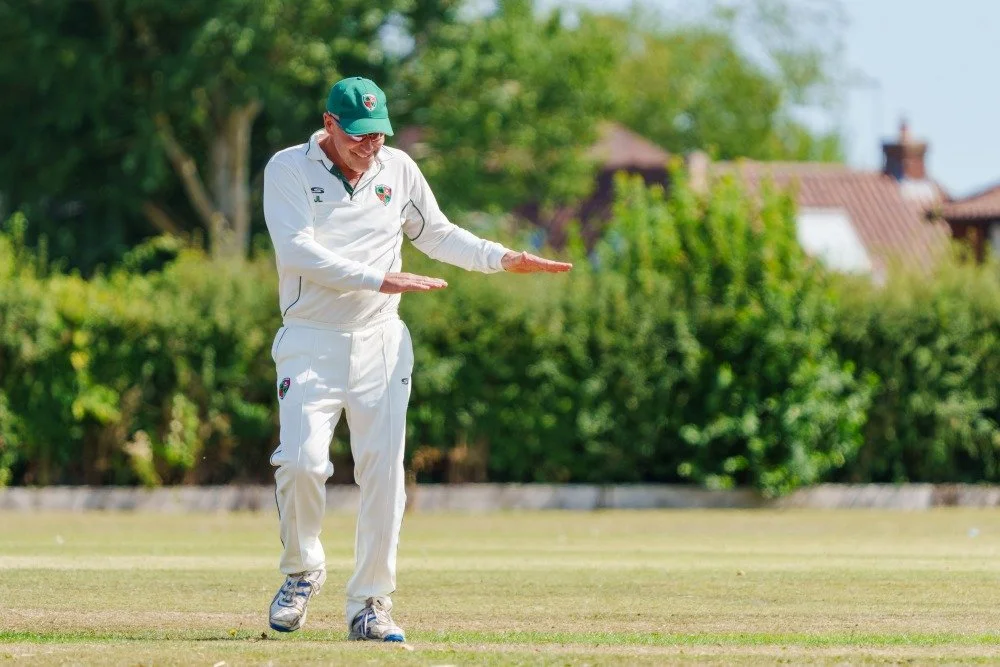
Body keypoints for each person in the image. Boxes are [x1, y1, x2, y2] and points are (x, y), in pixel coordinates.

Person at [262, 76, 572, 642]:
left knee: (384, 473)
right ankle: (303, 571)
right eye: (358, 136)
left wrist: (502, 259)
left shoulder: (398, 168)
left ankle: (369, 606)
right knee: (302, 463)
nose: (370, 147)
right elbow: (296, 252)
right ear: (329, 125)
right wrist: (379, 278)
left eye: (378, 135)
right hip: (311, 337)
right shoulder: (287, 169)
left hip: (381, 339)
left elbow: (439, 234)